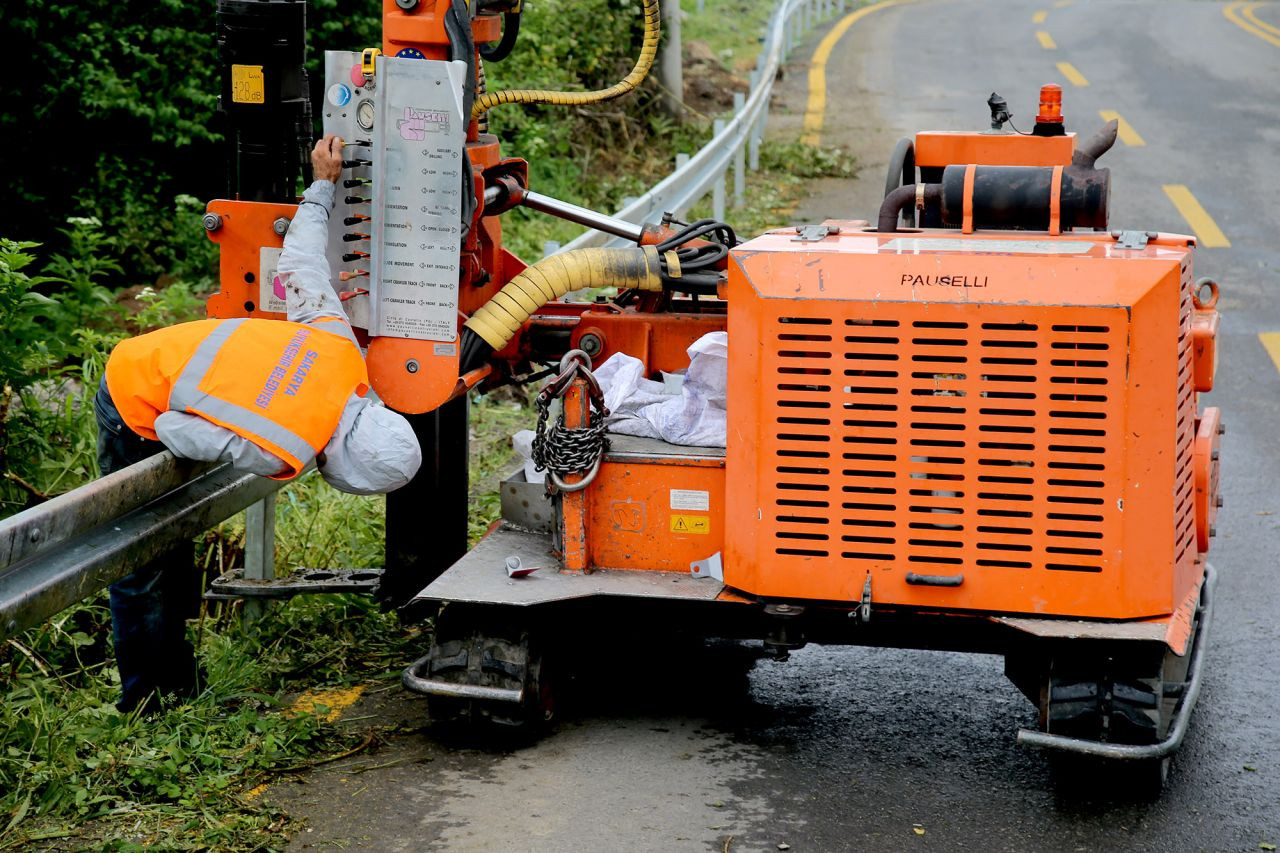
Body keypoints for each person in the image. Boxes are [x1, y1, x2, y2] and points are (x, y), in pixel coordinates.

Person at [95, 134, 422, 713]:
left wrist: (323, 183)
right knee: (143, 559)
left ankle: (177, 680)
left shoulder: (344, 356)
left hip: (155, 351)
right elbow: (176, 429)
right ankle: (144, 702)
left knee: (171, 543)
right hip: (132, 399)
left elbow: (298, 261)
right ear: (345, 471)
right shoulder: (284, 454)